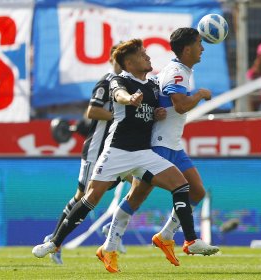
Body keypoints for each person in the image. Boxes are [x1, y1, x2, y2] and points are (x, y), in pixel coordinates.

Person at [32, 39, 218, 273]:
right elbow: (119, 94)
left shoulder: (151, 85)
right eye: (143, 55)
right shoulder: (119, 81)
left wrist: (157, 113)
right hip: (117, 152)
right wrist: (129, 99)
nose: (148, 57)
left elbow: (159, 108)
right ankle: (54, 242)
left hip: (143, 153)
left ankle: (190, 240)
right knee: (90, 198)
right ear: (130, 63)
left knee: (181, 184)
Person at [101, 27, 217, 267]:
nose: (202, 48)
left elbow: (163, 101)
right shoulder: (177, 72)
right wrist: (200, 94)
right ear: (187, 49)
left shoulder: (179, 70)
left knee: (197, 192)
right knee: (136, 197)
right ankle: (110, 244)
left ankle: (166, 236)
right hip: (158, 146)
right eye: (198, 44)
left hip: (173, 145)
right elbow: (181, 105)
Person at [39, 44, 125, 265]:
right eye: (119, 58)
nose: (121, 62)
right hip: (96, 150)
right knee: (84, 197)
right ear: (112, 59)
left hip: (116, 148)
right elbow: (93, 110)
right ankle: (55, 241)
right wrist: (119, 114)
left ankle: (113, 227)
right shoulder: (106, 82)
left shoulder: (127, 83)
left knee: (138, 181)